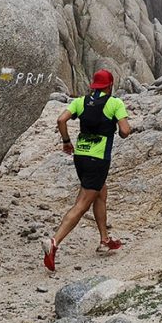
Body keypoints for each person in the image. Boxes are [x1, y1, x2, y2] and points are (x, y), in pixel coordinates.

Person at [41, 69, 131, 271]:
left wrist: (66, 142)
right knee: (82, 204)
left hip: (80, 157)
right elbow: (125, 131)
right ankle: (53, 242)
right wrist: (120, 130)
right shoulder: (114, 103)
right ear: (110, 86)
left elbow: (61, 120)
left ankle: (104, 240)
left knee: (100, 193)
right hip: (98, 160)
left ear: (93, 85)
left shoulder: (80, 101)